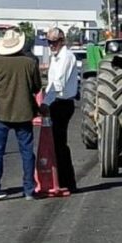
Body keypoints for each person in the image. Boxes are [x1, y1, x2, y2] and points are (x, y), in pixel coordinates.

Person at [0, 28, 42, 200]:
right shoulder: (29, 63)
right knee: (27, 152)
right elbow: (37, 87)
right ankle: (29, 189)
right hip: (24, 112)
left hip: (2, 113)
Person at [40, 27, 78, 192]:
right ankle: (61, 180)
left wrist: (46, 102)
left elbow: (58, 83)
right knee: (56, 143)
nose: (51, 45)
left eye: (54, 42)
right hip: (56, 101)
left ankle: (67, 182)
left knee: (59, 144)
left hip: (61, 102)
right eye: (49, 42)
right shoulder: (56, 58)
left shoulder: (66, 57)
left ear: (62, 41)